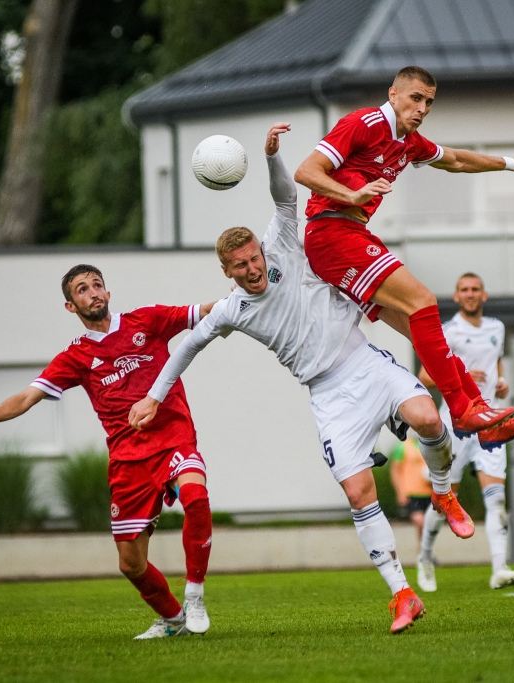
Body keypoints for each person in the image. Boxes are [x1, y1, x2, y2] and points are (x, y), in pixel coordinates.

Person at [129, 122, 470, 634]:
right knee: (358, 493)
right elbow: (187, 346)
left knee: (425, 416)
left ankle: (442, 489)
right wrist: (154, 398)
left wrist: (271, 156)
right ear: (227, 271)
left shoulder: (283, 246)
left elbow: (287, 197)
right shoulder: (232, 310)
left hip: (364, 362)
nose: (251, 268)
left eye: (253, 259)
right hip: (328, 394)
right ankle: (402, 593)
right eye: (239, 266)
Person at [294, 65, 514, 449]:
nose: (422, 108)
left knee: (421, 328)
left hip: (348, 236)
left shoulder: (409, 142)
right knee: (424, 301)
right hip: (331, 232)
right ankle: (462, 409)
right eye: (416, 98)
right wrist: (352, 195)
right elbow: (306, 170)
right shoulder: (362, 123)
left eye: (429, 102)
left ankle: (479, 416)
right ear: (393, 94)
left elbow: (457, 160)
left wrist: (512, 165)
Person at [0, 266, 216, 638]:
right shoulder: (76, 356)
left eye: (97, 285)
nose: (93, 293)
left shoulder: (147, 320)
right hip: (128, 461)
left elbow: (205, 311)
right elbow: (29, 396)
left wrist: (250, 293)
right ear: (70, 305)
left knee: (196, 495)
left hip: (174, 438)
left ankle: (195, 594)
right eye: (82, 289)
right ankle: (173, 620)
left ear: (108, 294)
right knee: (131, 564)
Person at [417, 273, 514, 592]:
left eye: (475, 289)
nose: (470, 294)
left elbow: (496, 364)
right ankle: (425, 557)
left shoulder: (497, 328)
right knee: (443, 501)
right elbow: (425, 375)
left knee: (496, 501)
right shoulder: (448, 331)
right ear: (455, 297)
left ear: (484, 295)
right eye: (464, 290)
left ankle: (499, 568)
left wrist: (501, 383)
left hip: (489, 423)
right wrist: (458, 377)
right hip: (455, 426)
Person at [388, 435, 433, 556]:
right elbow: (395, 471)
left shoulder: (430, 445)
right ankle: (423, 551)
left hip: (429, 492)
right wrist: (400, 492)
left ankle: (424, 551)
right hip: (411, 492)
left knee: (428, 524)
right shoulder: (402, 446)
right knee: (420, 521)